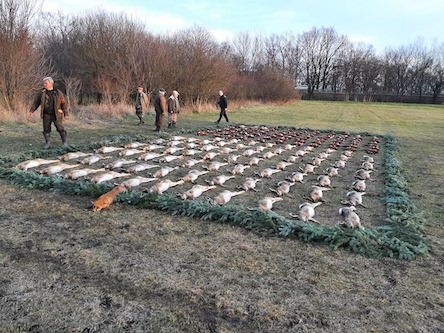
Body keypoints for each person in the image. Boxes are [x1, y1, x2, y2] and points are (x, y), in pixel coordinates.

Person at [27, 76, 69, 148]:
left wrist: (65, 113)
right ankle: (47, 143)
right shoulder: (42, 93)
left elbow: (64, 103)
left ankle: (64, 143)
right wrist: (31, 111)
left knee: (60, 128)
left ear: (50, 83)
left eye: (45, 83)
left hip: (56, 114)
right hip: (46, 114)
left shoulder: (58, 92)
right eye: (44, 83)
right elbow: (36, 102)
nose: (44, 85)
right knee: (46, 129)